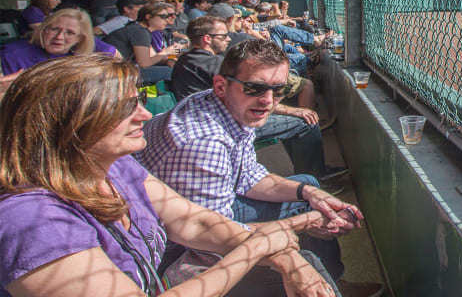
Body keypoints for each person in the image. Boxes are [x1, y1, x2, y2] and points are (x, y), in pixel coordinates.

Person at [0, 54, 341, 297]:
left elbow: (195, 222)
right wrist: (261, 246)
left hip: (161, 278)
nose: (144, 114)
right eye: (123, 108)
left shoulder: (114, 164)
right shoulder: (32, 220)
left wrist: (284, 255)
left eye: (138, 101)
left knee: (303, 259)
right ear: (70, 124)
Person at [138, 40, 383, 297]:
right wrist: (302, 224)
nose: (268, 101)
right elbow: (212, 237)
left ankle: (335, 279)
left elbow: (248, 176)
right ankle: (330, 285)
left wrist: (310, 193)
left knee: (309, 186)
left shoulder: (226, 105)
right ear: (221, 85)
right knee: (307, 267)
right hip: (172, 249)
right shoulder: (205, 144)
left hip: (203, 211)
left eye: (278, 90)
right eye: (255, 88)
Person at [169, 17, 328, 178]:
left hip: (198, 118)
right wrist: (293, 111)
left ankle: (304, 171)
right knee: (305, 123)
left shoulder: (184, 59)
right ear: (207, 39)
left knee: (292, 116)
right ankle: (317, 177)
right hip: (221, 124)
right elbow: (247, 101)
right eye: (223, 36)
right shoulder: (214, 64)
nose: (228, 39)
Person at [1, 8, 118, 84]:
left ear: (80, 38)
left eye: (70, 33)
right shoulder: (12, 54)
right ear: (43, 29)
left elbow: (117, 60)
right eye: (54, 29)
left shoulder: (86, 48)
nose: (59, 37)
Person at [104, 2, 177, 83]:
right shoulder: (140, 31)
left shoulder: (140, 29)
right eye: (163, 16)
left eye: (168, 16)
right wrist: (165, 52)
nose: (167, 19)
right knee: (172, 72)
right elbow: (144, 63)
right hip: (112, 73)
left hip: (118, 70)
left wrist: (168, 60)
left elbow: (152, 56)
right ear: (148, 16)